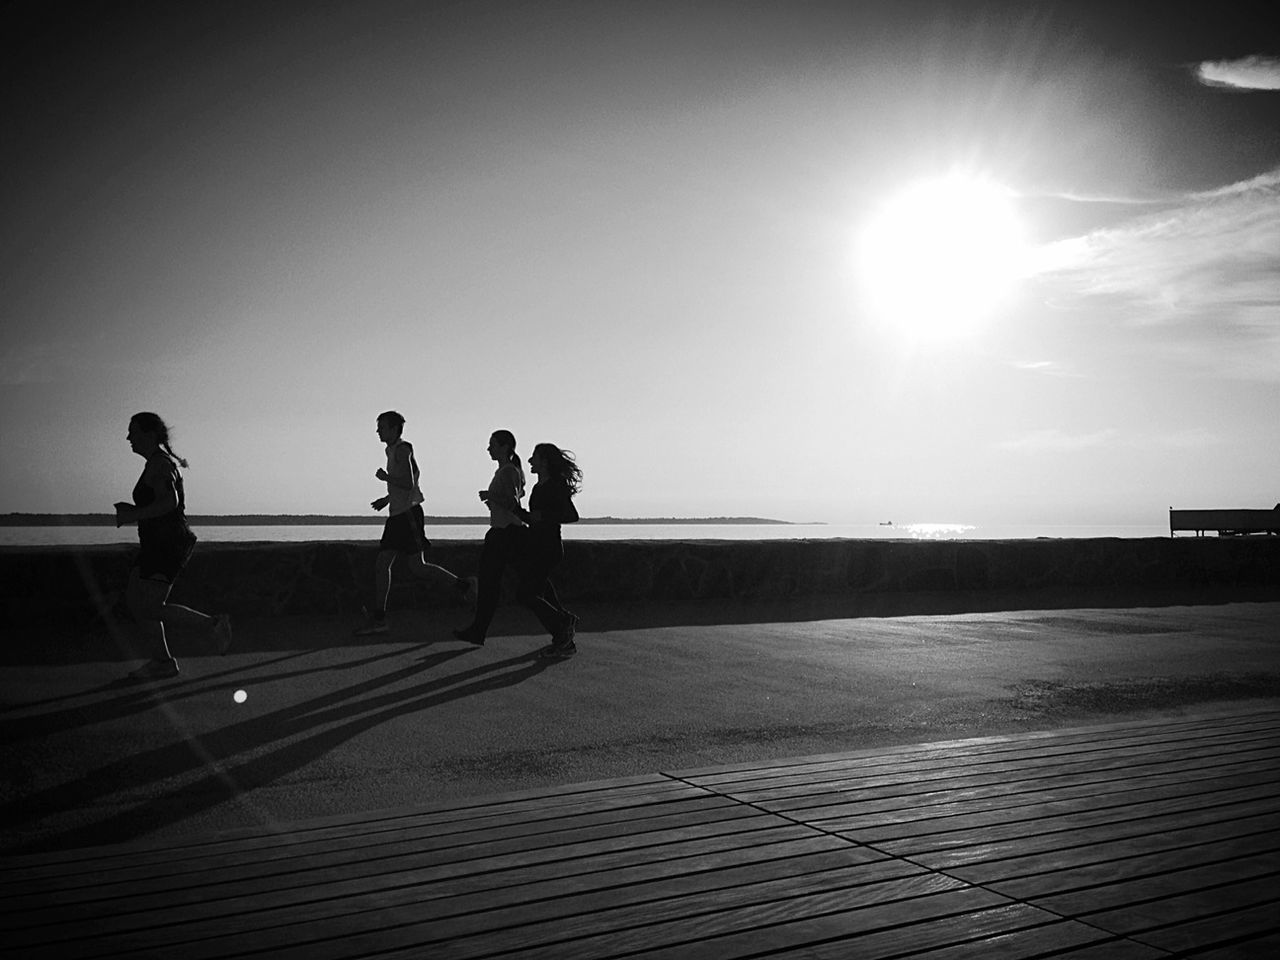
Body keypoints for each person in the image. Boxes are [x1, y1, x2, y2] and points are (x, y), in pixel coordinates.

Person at [113, 412, 232, 681]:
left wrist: (133, 514)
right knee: (135, 601)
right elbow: (161, 504)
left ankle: (213, 625)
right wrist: (135, 511)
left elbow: (170, 503)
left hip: (168, 544)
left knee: (150, 607)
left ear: (150, 434)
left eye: (133, 431)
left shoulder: (161, 465)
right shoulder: (155, 463)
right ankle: (162, 662)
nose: (128, 437)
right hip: (156, 542)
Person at [357, 411, 473, 636]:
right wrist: (387, 498)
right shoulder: (391, 450)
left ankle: (464, 586)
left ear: (393, 429)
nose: (378, 431)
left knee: (417, 566)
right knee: (383, 564)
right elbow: (411, 481)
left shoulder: (402, 449)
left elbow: (409, 482)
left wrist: (386, 478)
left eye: (381, 427)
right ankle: (380, 618)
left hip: (408, 515)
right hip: (397, 515)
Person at [453, 430, 526, 646]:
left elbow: (513, 502)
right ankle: (478, 630)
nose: (488, 449)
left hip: (505, 533)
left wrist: (490, 496)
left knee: (495, 584)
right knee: (492, 584)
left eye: (492, 445)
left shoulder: (509, 472)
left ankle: (478, 630)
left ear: (505, 447)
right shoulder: (506, 471)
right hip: (503, 531)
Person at [513, 443, 582, 659]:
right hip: (535, 545)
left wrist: (544, 517)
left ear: (544, 460)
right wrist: (514, 510)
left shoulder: (555, 485)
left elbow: (571, 515)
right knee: (540, 591)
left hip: (549, 547)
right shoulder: (538, 487)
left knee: (525, 594)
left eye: (534, 457)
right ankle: (563, 635)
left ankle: (563, 625)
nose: (530, 461)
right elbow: (534, 518)